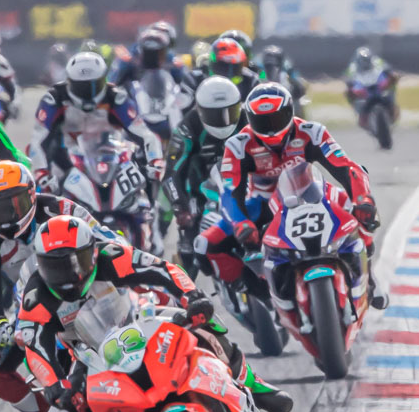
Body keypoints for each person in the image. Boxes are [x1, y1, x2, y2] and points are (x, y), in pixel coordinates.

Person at [11, 215, 292, 412]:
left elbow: (164, 269)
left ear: (92, 252)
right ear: (41, 266)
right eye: (56, 268)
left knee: (203, 323)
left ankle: (251, 383)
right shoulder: (36, 295)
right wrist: (55, 385)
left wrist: (191, 296)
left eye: (76, 262)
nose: (68, 276)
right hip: (89, 357)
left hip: (141, 322)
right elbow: (34, 345)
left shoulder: (111, 255)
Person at [218, 83, 387, 322]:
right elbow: (229, 191)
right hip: (263, 204)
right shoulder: (237, 145)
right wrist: (240, 223)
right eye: (263, 121)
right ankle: (258, 295)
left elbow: (346, 167)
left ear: (290, 111)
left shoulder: (312, 132)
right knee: (210, 243)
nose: (271, 128)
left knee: (356, 208)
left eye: (277, 118)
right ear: (250, 119)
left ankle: (368, 273)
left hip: (310, 191)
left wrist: (362, 199)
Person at [0, 161, 105, 412]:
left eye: (12, 205)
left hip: (85, 293)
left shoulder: (60, 208)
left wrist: (121, 250)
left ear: (31, 195)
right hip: (33, 308)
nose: (5, 216)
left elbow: (101, 236)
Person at [29, 49, 164, 192]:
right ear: (69, 82)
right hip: (66, 164)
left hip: (111, 160)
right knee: (42, 193)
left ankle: (152, 204)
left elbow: (145, 134)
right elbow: (37, 141)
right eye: (82, 87)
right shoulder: (54, 99)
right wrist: (41, 172)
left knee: (145, 183)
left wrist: (155, 161)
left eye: (95, 85)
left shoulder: (116, 98)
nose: (89, 92)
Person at [166, 75, 253, 282]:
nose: (223, 119)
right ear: (200, 110)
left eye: (230, 111)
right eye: (215, 114)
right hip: (202, 194)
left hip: (247, 186)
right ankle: (182, 292)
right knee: (188, 245)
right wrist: (181, 207)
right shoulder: (187, 127)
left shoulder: (249, 120)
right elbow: (171, 174)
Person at [205, 33, 260, 101]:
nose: (226, 71)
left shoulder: (250, 80)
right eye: (223, 65)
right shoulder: (200, 77)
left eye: (233, 66)